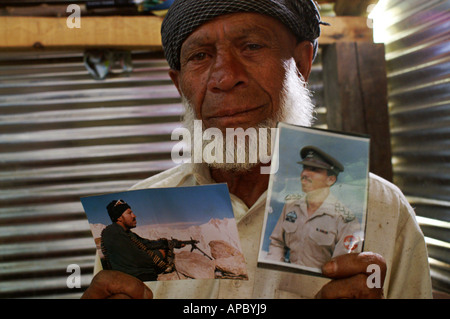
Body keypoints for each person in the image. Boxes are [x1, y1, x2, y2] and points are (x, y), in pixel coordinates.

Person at [81, 0, 432, 299]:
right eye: (200, 56)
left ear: (302, 63)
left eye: (251, 46)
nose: (224, 76)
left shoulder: (383, 210)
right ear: (180, 85)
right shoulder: (137, 217)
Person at [268, 146, 361, 269]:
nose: (304, 174)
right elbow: (277, 242)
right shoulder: (291, 205)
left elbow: (343, 265)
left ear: (330, 179)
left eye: (314, 170)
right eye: (304, 168)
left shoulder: (344, 219)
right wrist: (275, 270)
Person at [100, 199, 184, 281]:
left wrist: (169, 243)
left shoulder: (127, 233)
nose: (134, 215)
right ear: (119, 218)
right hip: (134, 279)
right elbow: (137, 258)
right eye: (129, 213)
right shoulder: (113, 232)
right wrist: (161, 253)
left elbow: (146, 243)